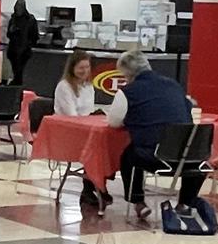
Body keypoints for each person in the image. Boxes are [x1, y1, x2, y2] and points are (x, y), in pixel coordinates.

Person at [105, 49, 196, 208]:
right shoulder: (174, 85)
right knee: (195, 163)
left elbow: (113, 122)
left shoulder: (128, 92)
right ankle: (185, 203)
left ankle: (138, 201)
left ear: (129, 74)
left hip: (156, 156)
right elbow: (188, 109)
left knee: (130, 154)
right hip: (189, 156)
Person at [5, 0, 40, 87]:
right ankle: (17, 87)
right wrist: (12, 31)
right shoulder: (13, 19)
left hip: (24, 51)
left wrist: (29, 44)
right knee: (17, 71)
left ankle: (17, 87)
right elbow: (8, 35)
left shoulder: (30, 19)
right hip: (14, 51)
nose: (18, 10)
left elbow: (34, 35)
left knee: (21, 72)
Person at [52, 49, 97, 117]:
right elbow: (71, 115)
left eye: (87, 67)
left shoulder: (89, 85)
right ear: (72, 69)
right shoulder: (64, 86)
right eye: (81, 68)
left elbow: (90, 110)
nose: (85, 71)